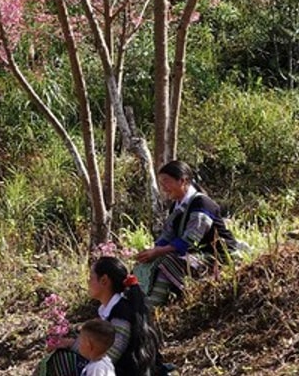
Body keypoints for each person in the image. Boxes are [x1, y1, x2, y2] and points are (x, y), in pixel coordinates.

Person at [134, 160, 241, 309]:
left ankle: (151, 306)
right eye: (161, 183)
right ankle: (138, 302)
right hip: (194, 253)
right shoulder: (176, 207)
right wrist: (151, 252)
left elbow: (190, 239)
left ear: (182, 181)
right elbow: (168, 236)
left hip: (218, 255)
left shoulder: (202, 204)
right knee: (147, 262)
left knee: (167, 261)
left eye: (166, 182)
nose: (163, 188)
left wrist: (159, 251)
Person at [37, 257, 161, 376]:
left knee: (61, 360)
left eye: (91, 278)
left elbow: (107, 355)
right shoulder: (111, 310)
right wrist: (69, 343)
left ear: (104, 281)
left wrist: (72, 345)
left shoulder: (121, 317)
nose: (88, 282)